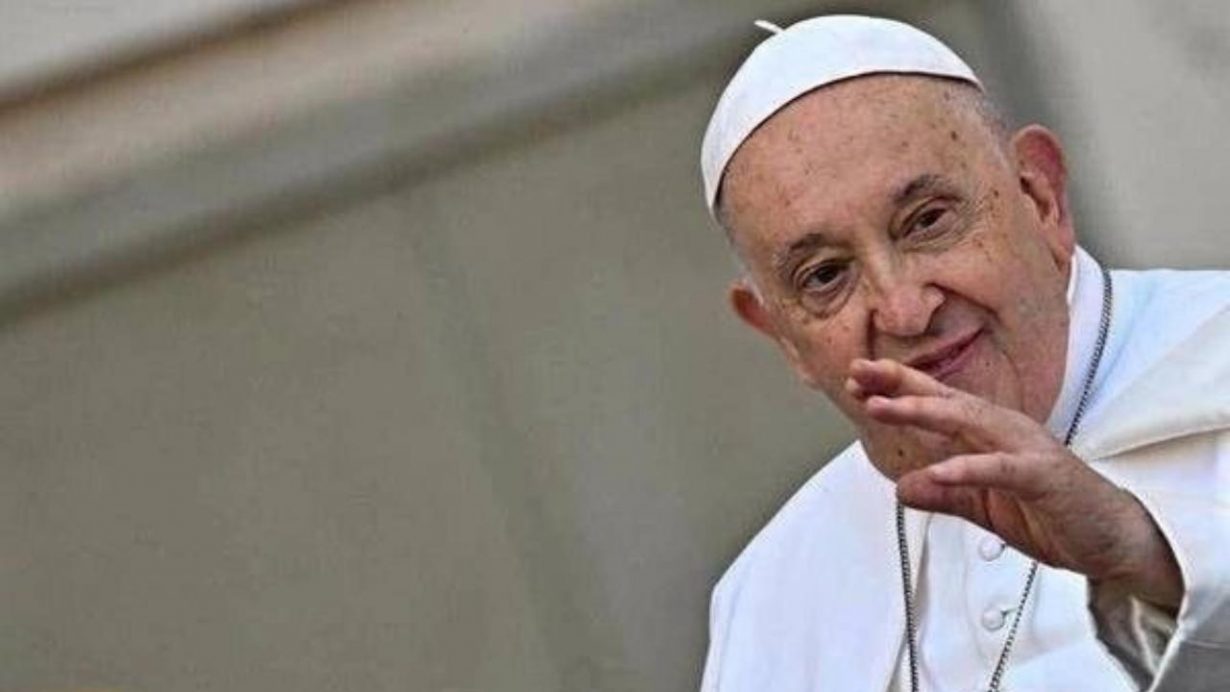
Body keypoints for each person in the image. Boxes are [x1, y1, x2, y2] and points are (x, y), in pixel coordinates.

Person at [697, 15, 1230, 692]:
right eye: (826, 275)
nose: (904, 310)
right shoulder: (769, 598)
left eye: (927, 222)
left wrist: (1148, 560)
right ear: (782, 337)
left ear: (1040, 197)